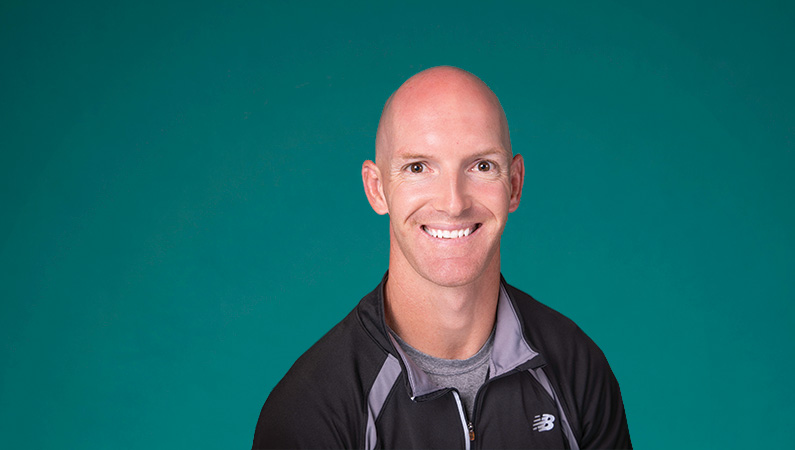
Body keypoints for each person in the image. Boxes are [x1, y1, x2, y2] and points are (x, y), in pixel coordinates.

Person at [252, 66, 631, 449]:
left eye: (482, 166)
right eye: (418, 167)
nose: (453, 203)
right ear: (377, 189)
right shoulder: (312, 408)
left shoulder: (576, 367)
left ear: (514, 184)